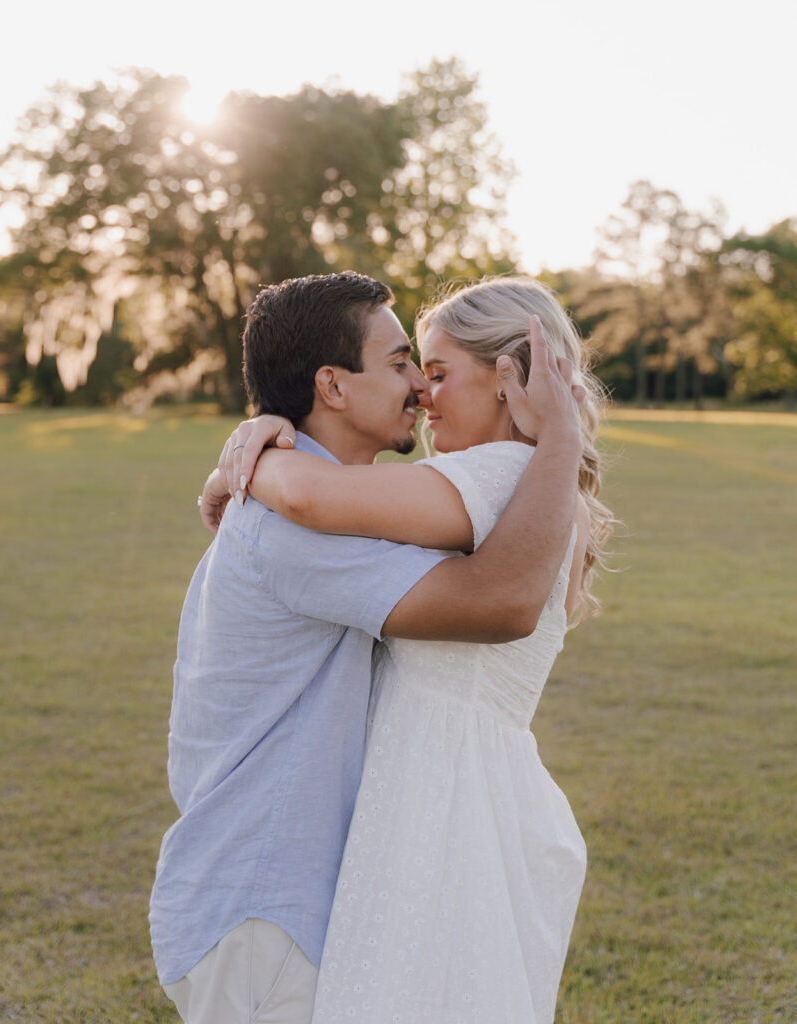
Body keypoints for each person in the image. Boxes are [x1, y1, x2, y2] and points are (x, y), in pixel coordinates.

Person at [150, 271, 585, 1024]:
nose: (419, 388)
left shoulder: (476, 486)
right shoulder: (299, 526)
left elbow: (502, 598)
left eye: (433, 369)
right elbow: (494, 598)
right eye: (403, 364)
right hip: (268, 907)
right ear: (333, 386)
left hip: (352, 873)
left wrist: (255, 451)